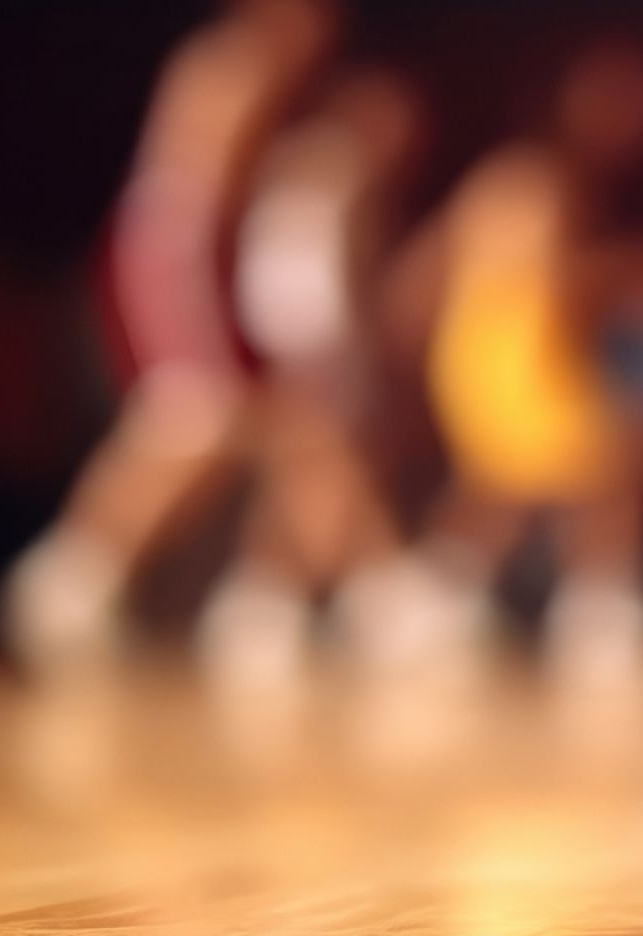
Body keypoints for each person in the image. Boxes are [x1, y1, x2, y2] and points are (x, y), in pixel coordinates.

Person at [0, 0, 336, 670]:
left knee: (233, 425)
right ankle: (68, 581)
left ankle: (95, 582)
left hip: (186, 252)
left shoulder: (238, 67)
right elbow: (209, 185)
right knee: (193, 418)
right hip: (180, 256)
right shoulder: (237, 66)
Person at [374, 43, 643, 681]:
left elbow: (418, 278)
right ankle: (601, 613)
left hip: (488, 354)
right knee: (610, 466)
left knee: (508, 488)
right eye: (617, 100)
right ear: (570, 103)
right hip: (512, 356)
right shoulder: (542, 178)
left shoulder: (507, 173)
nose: (635, 118)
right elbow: (555, 279)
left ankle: (433, 601)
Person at [197, 69, 426, 684]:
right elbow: (301, 267)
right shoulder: (333, 169)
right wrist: (315, 352)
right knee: (328, 465)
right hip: (311, 342)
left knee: (310, 472)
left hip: (313, 342)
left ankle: (263, 602)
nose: (405, 139)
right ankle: (381, 590)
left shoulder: (322, 170)